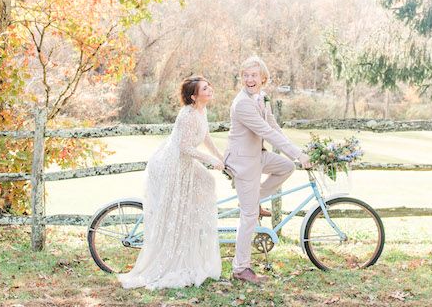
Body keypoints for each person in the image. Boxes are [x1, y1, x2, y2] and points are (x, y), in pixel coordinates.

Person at [118, 76, 224, 290]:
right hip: (172, 166)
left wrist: (219, 156)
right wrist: (210, 160)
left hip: (185, 164)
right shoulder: (187, 115)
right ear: (194, 96)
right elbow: (184, 147)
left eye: (208, 85)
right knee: (183, 202)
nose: (209, 89)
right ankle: (175, 246)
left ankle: (193, 226)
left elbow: (205, 137)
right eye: (205, 88)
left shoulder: (202, 111)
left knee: (207, 182)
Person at [224, 56, 312, 284]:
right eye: (245, 75)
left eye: (253, 75)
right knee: (249, 216)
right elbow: (266, 132)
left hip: (258, 156)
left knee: (286, 166)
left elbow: (274, 126)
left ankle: (256, 198)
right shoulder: (242, 103)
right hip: (244, 162)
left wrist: (296, 152)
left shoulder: (262, 97)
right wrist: (299, 154)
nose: (249, 79)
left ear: (263, 78)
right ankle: (240, 268)